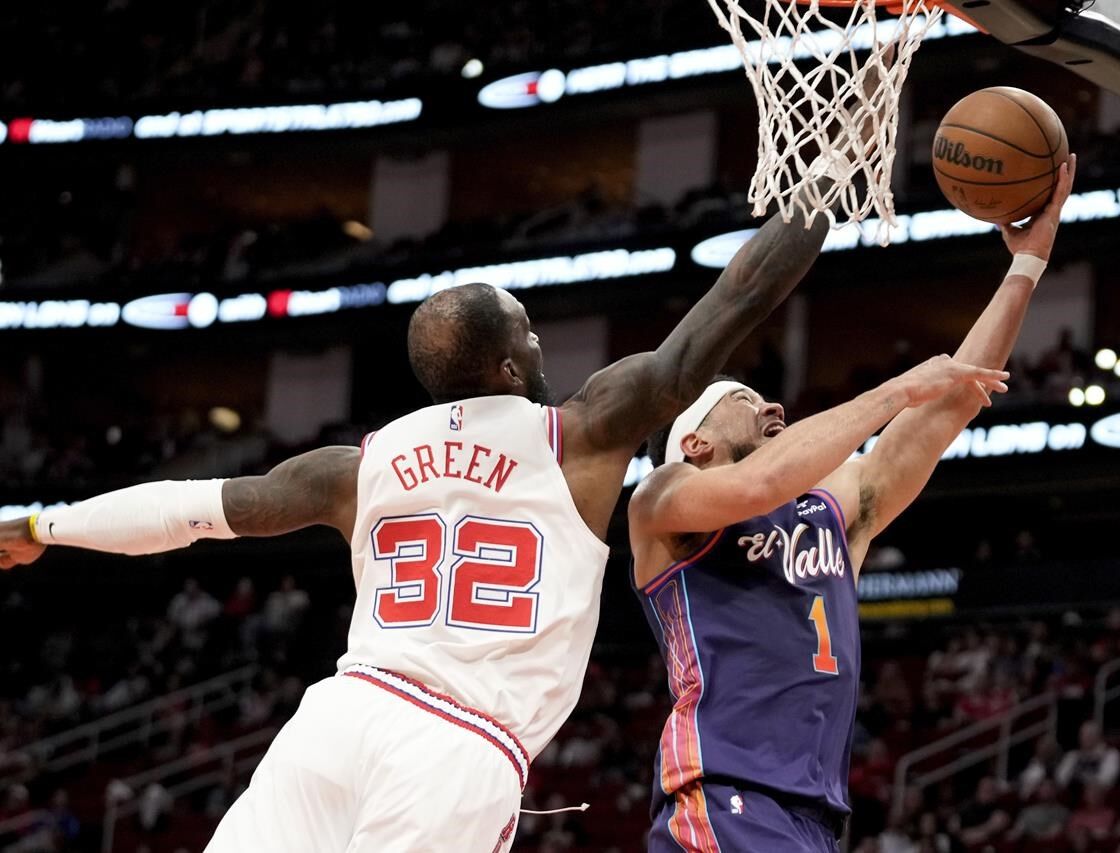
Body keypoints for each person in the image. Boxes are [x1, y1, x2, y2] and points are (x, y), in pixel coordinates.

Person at [0, 187, 836, 852]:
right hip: (459, 745)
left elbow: (185, 511)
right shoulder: (580, 434)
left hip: (337, 717)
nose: (543, 346)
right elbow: (731, 305)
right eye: (532, 336)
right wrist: (823, 191)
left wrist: (41, 526)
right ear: (510, 364)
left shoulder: (357, 467)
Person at [628, 157, 1076, 851]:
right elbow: (756, 486)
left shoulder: (830, 509)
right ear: (695, 440)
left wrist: (1027, 267)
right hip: (723, 797)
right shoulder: (662, 500)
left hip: (814, 815)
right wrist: (894, 390)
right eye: (746, 402)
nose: (772, 403)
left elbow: (953, 400)